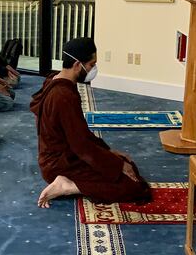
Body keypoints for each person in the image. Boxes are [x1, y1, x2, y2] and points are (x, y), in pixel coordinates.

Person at [30, 37, 152, 208]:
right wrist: (115, 165)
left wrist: (110, 154)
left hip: (58, 156)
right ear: (77, 65)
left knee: (128, 165)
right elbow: (81, 145)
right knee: (135, 187)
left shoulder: (54, 80)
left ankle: (74, 182)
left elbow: (80, 135)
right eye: (91, 64)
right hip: (60, 164)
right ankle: (68, 186)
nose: (93, 69)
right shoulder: (63, 97)